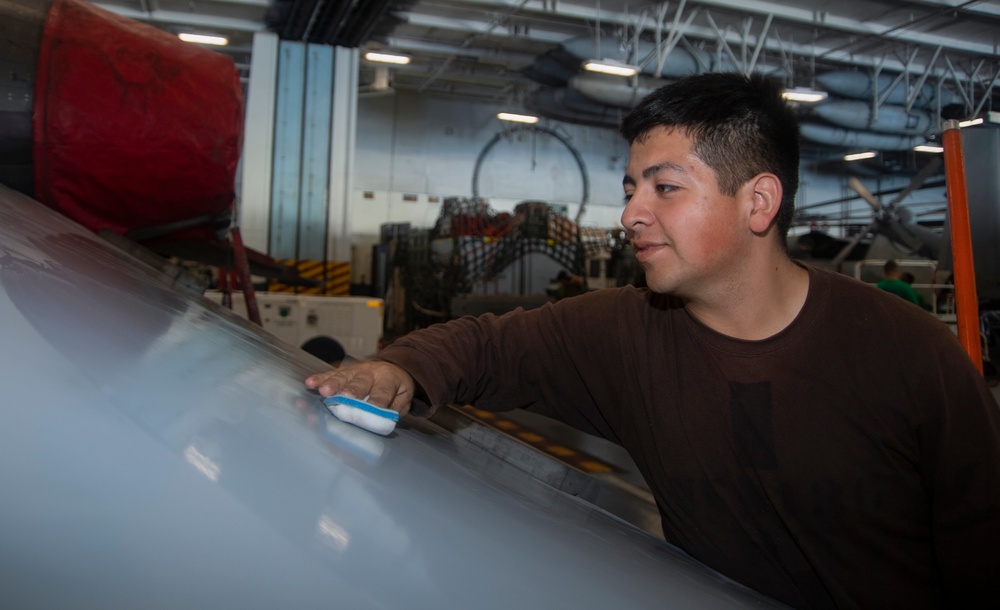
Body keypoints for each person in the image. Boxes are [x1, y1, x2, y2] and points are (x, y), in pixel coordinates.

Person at [306, 73, 1000, 609]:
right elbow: (486, 347)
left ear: (759, 202)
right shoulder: (627, 331)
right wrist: (395, 368)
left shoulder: (906, 352)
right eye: (632, 187)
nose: (632, 213)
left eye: (666, 188)